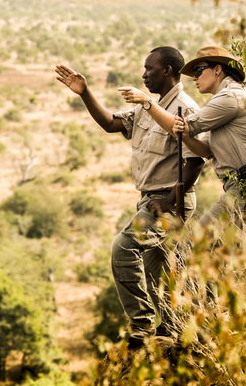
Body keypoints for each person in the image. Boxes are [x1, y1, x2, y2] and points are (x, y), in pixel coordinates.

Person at [54, 46, 205, 347]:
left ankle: (141, 325)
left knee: (123, 248)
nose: (143, 74)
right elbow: (112, 123)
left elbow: (195, 161)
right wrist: (85, 93)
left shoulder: (183, 109)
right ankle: (171, 329)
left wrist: (172, 201)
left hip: (169, 200)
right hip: (150, 199)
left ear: (168, 71)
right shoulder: (148, 106)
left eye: (149, 68)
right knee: (157, 269)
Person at [120, 45, 246, 226]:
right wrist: (184, 136)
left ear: (217, 70)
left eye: (199, 70)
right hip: (244, 185)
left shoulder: (230, 97)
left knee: (203, 243)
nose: (195, 77)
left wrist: (147, 103)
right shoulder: (223, 102)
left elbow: (183, 126)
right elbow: (204, 149)